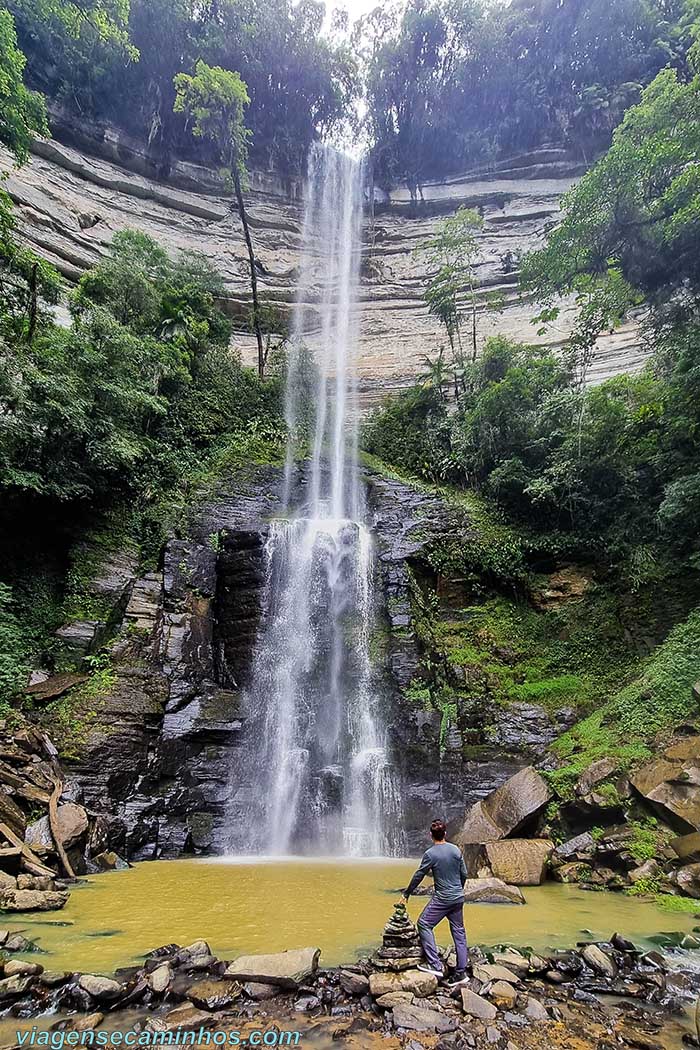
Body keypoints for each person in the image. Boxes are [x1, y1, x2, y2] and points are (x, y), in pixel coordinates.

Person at [402, 818, 469, 985]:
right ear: (445, 834)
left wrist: (407, 893)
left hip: (443, 898)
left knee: (424, 923)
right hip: (457, 898)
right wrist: (458, 889)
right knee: (459, 933)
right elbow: (465, 874)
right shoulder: (456, 850)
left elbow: (419, 875)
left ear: (430, 835)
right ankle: (461, 972)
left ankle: (435, 965)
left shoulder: (430, 854)